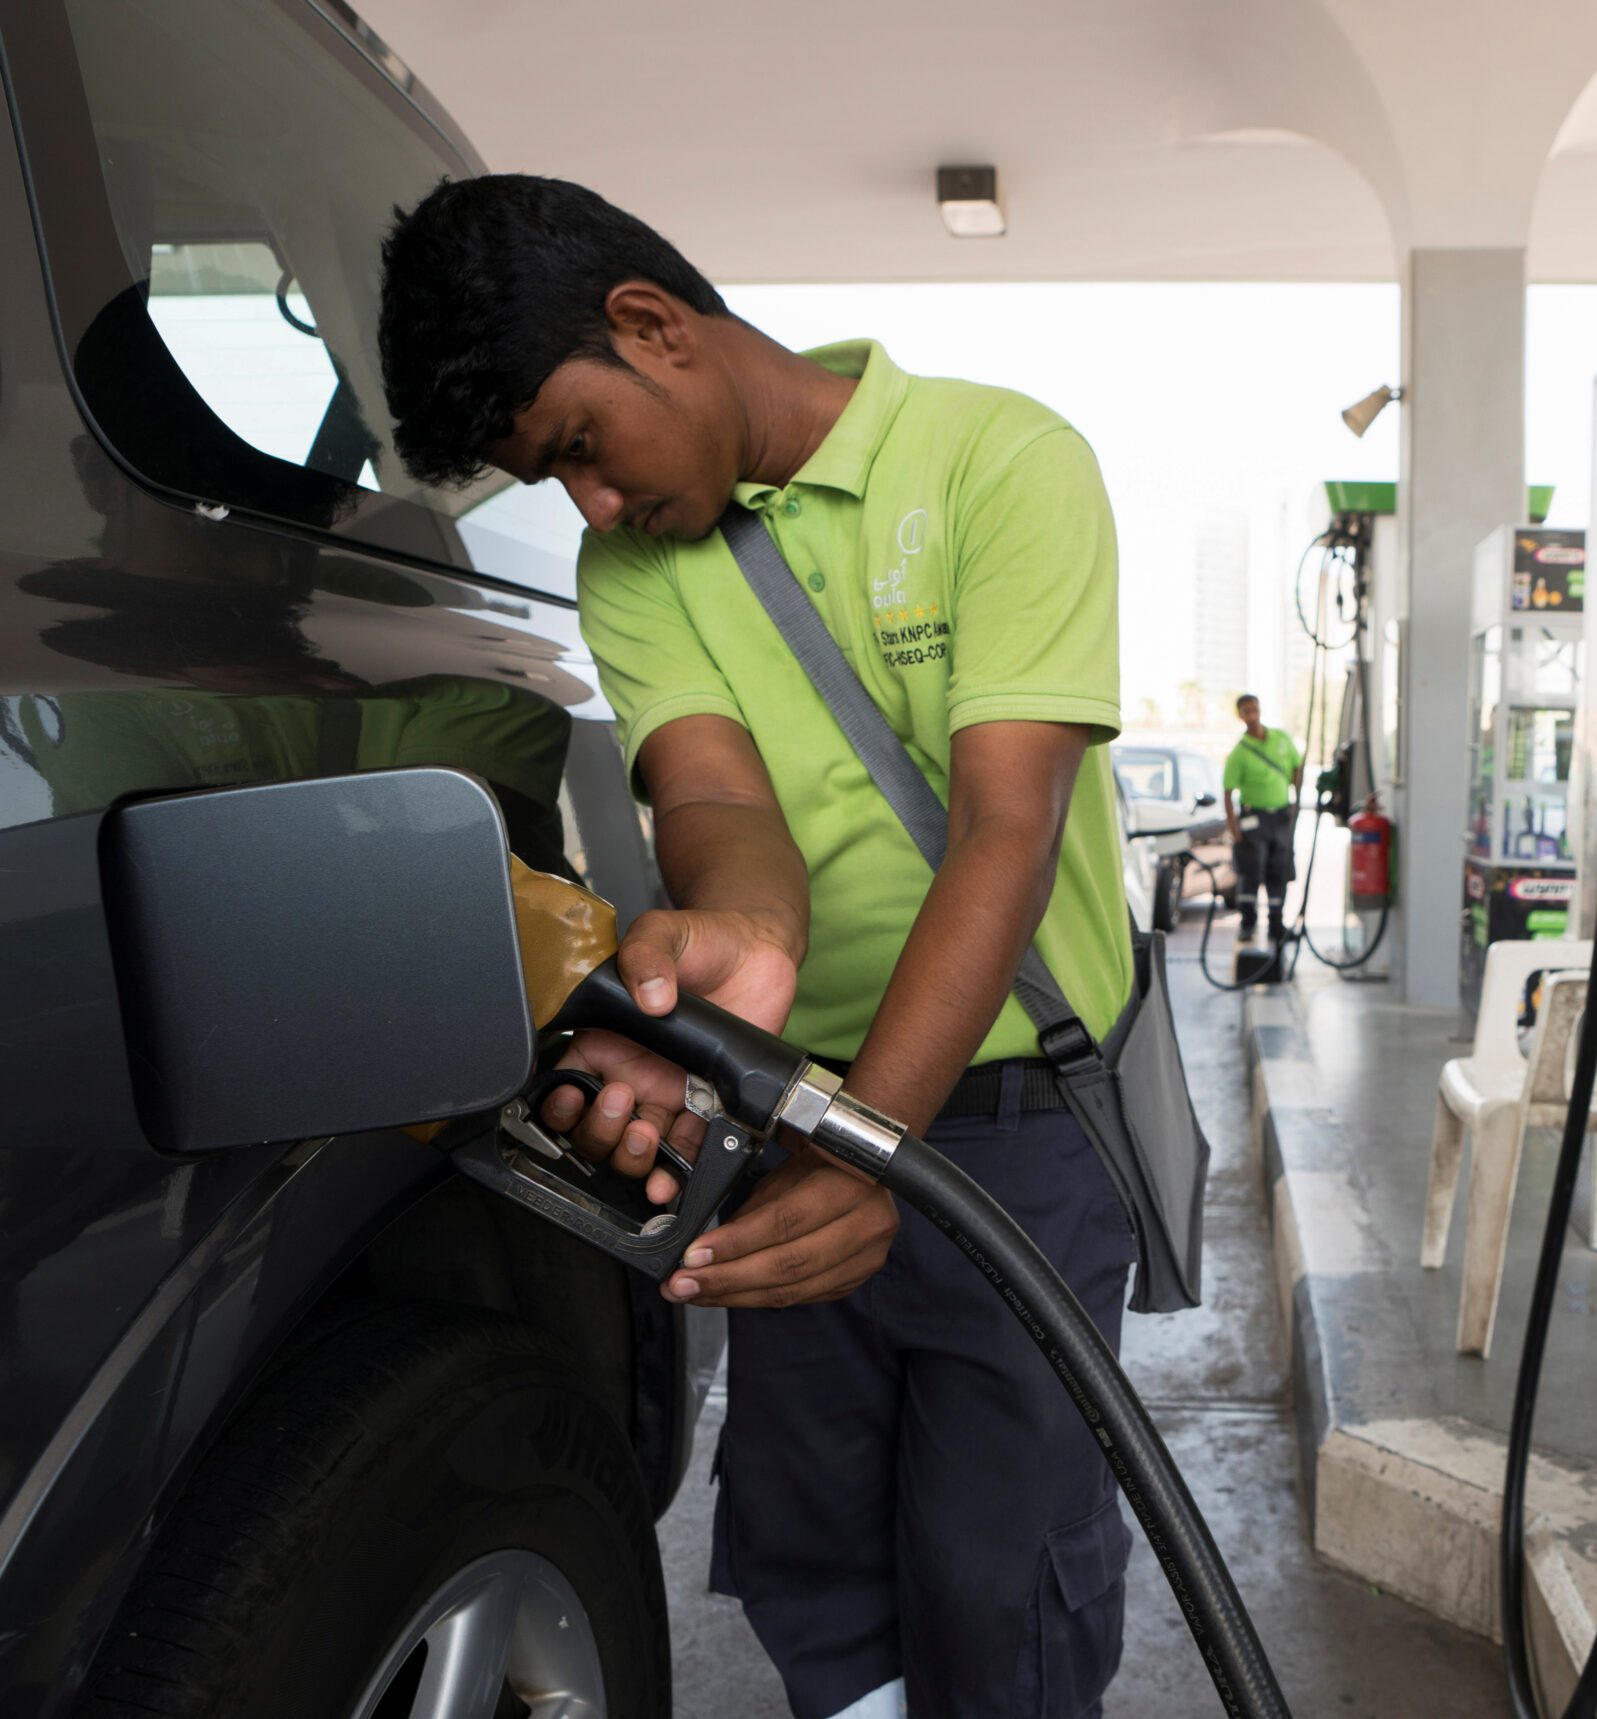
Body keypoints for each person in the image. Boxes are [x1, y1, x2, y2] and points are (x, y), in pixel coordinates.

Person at [377, 174, 1137, 1719]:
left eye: (581, 446)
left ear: (653, 327)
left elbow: (1006, 826)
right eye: (552, 478)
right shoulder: (637, 569)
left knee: (1006, 1573)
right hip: (791, 1112)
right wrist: (744, 933)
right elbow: (716, 791)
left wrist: (873, 1145)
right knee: (815, 1554)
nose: (590, 505)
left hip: (1011, 1127)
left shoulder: (1000, 459)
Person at [1220, 693, 1302, 944]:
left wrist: (1295, 802)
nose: (1252, 715)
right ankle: (1247, 924)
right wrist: (1234, 829)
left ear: (1260, 709)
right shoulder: (1239, 753)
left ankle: (1276, 925)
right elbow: (1227, 791)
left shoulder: (1281, 738)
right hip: (1253, 820)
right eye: (1246, 711)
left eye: (1254, 709)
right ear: (1240, 715)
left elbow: (1297, 767)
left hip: (1280, 817)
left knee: (1279, 869)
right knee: (1251, 871)